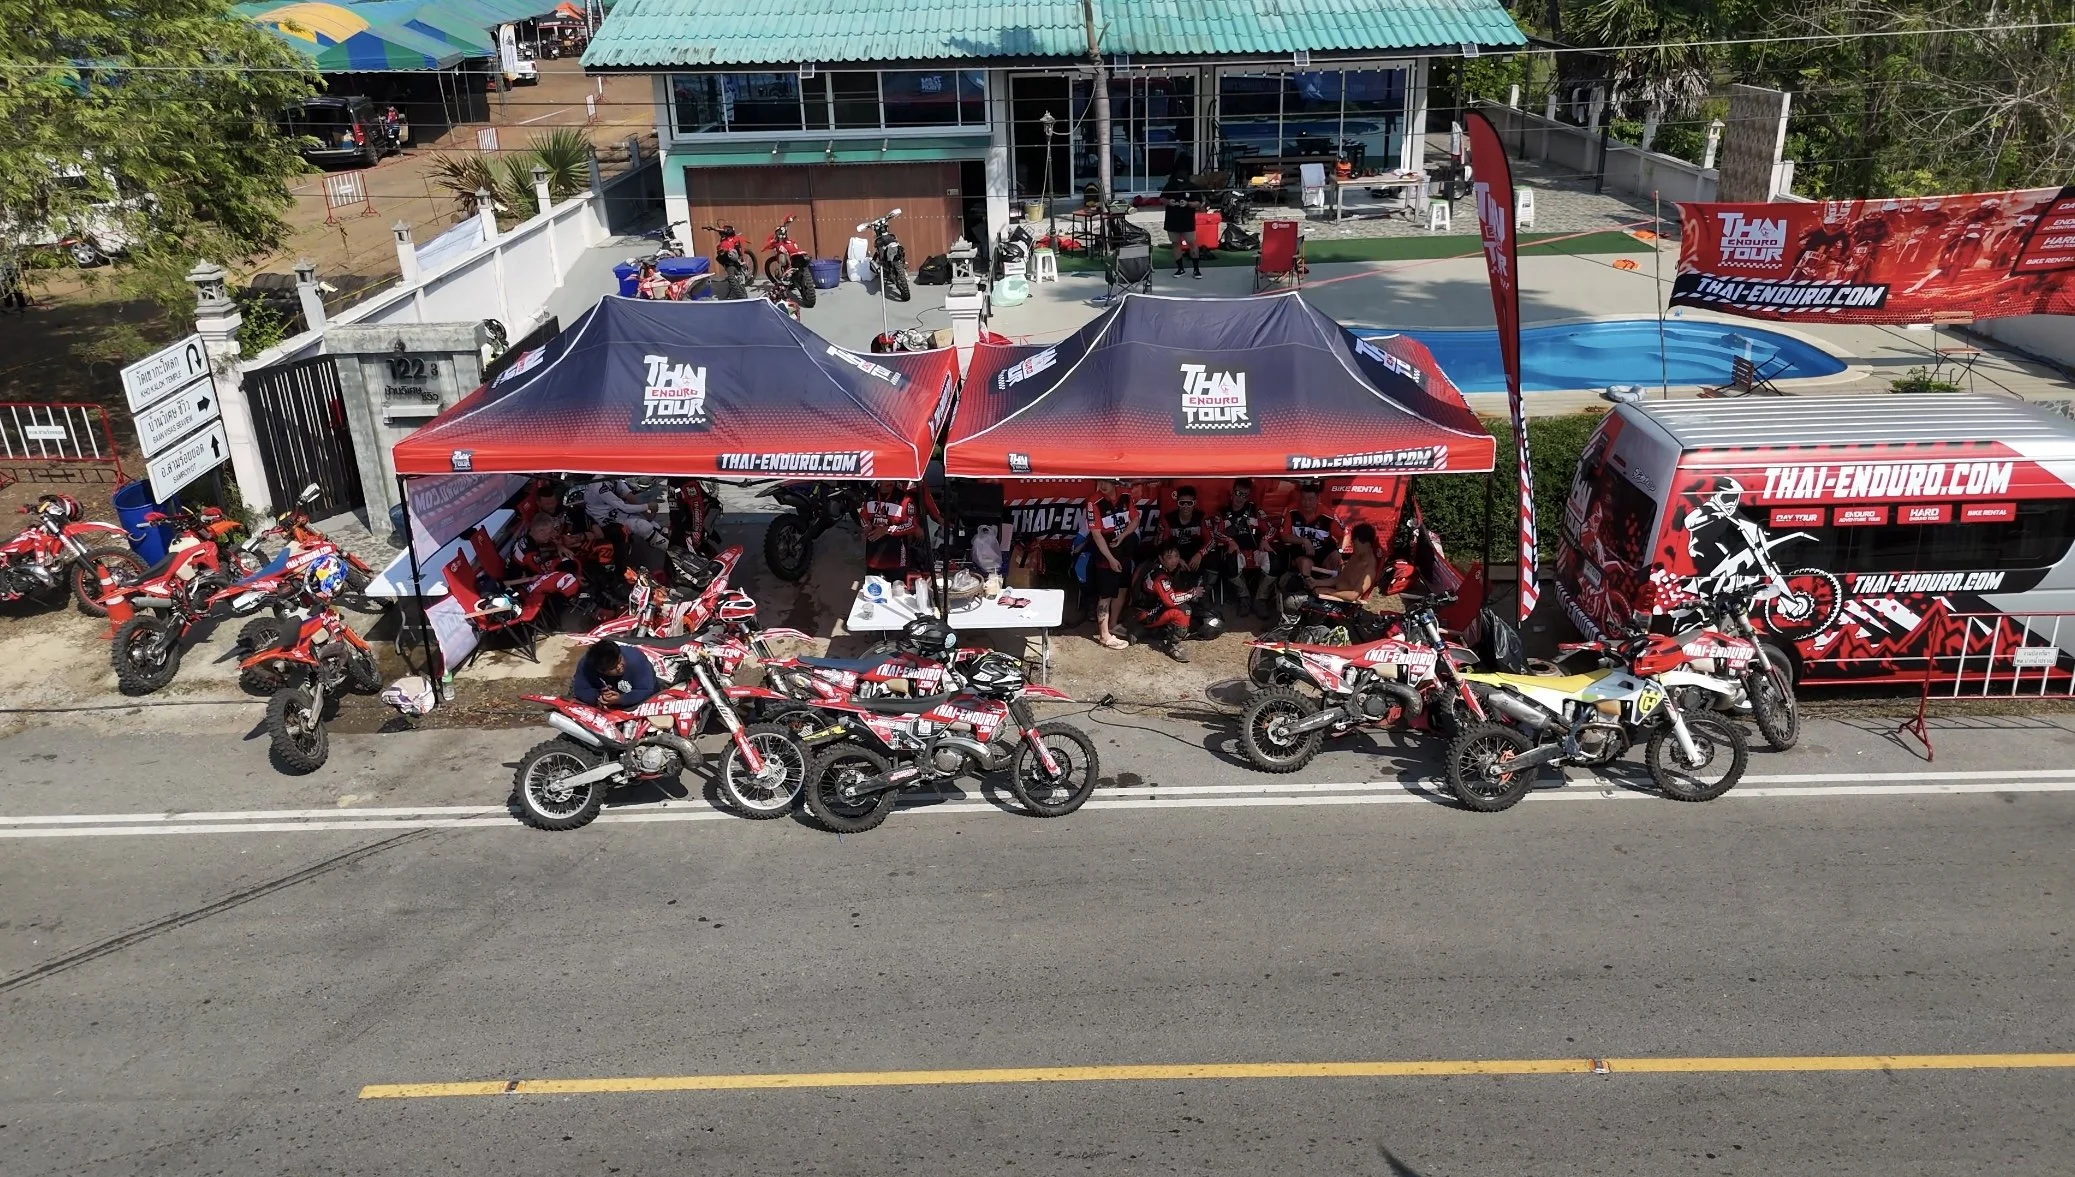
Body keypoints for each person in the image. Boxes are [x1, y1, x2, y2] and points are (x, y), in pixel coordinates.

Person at [1136, 541, 1215, 662]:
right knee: (1184, 612)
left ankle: (1161, 631)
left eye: (1177, 556)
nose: (1174, 560)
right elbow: (1171, 601)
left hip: (1152, 607)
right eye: (1169, 557)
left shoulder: (1156, 566)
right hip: (1145, 614)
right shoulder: (1159, 576)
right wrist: (1193, 592)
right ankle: (1171, 645)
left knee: (1186, 607)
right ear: (1161, 559)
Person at [1082, 476, 1136, 649]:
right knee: (1105, 594)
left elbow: (1135, 520)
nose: (1103, 485)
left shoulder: (1126, 495)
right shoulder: (1093, 501)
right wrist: (1110, 559)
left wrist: (1123, 535)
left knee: (1122, 587)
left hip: (1123, 548)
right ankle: (1104, 635)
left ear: (1116, 482)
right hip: (1105, 551)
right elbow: (1096, 534)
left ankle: (1113, 624)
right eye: (1100, 481)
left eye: (1107, 481)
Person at [1215, 478, 1274, 618]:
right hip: (1237, 552)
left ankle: (1260, 600)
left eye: (1245, 495)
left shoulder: (1255, 510)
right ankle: (1244, 598)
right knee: (1230, 563)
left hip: (1256, 551)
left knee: (1275, 560)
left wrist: (1265, 540)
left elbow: (1271, 528)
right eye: (1238, 493)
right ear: (1232, 492)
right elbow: (1216, 532)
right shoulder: (1222, 512)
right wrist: (1230, 541)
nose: (1240, 498)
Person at [1279, 480, 1344, 587]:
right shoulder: (1291, 510)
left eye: (1310, 499)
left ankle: (1327, 588)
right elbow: (1284, 536)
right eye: (1304, 499)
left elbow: (1342, 535)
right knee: (1305, 563)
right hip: (1301, 550)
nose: (1307, 503)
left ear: (1318, 499)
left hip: (1323, 549)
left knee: (1335, 557)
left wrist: (1338, 551)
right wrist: (1304, 541)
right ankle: (1307, 590)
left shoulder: (1328, 515)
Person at [860, 480, 924, 580]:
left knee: (897, 592)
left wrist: (887, 530)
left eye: (892, 479)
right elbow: (863, 516)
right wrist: (866, 526)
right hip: (873, 556)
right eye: (886, 479)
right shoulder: (870, 495)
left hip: (896, 558)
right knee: (873, 592)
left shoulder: (905, 498)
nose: (890, 481)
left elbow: (911, 525)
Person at [571, 639, 658, 710]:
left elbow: (647, 690)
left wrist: (621, 699)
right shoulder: (586, 665)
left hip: (637, 702)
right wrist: (599, 697)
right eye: (613, 667)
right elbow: (580, 689)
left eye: (620, 660)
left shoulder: (636, 660)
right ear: (601, 671)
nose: (620, 666)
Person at [1314, 523, 1381, 603]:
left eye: (1355, 543)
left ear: (1366, 544)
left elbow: (1353, 595)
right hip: (1333, 593)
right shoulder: (1356, 556)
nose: (1353, 546)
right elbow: (1340, 579)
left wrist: (1328, 591)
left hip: (1342, 602)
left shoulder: (1369, 568)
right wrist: (1316, 582)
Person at [1161, 485, 1212, 587]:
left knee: (1213, 558)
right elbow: (1163, 543)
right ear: (1177, 503)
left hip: (1195, 553)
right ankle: (1171, 589)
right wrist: (1176, 559)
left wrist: (1200, 555)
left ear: (1195, 503)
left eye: (1189, 503)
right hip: (1176, 553)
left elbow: (1210, 540)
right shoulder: (1167, 519)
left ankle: (1205, 590)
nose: (1185, 506)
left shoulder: (1202, 517)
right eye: (1182, 503)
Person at [1161, 166, 1203, 280]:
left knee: (1192, 243)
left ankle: (1196, 269)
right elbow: (1162, 199)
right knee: (1175, 243)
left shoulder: (1193, 188)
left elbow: (1199, 203)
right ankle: (1180, 268)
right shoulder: (1170, 186)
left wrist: (1188, 204)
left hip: (1187, 220)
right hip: (1172, 220)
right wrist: (1169, 202)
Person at [669, 477, 721, 558]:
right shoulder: (671, 480)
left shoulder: (688, 484)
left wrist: (697, 531)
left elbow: (697, 509)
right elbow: (674, 508)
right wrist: (672, 526)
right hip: (681, 529)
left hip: (693, 528)